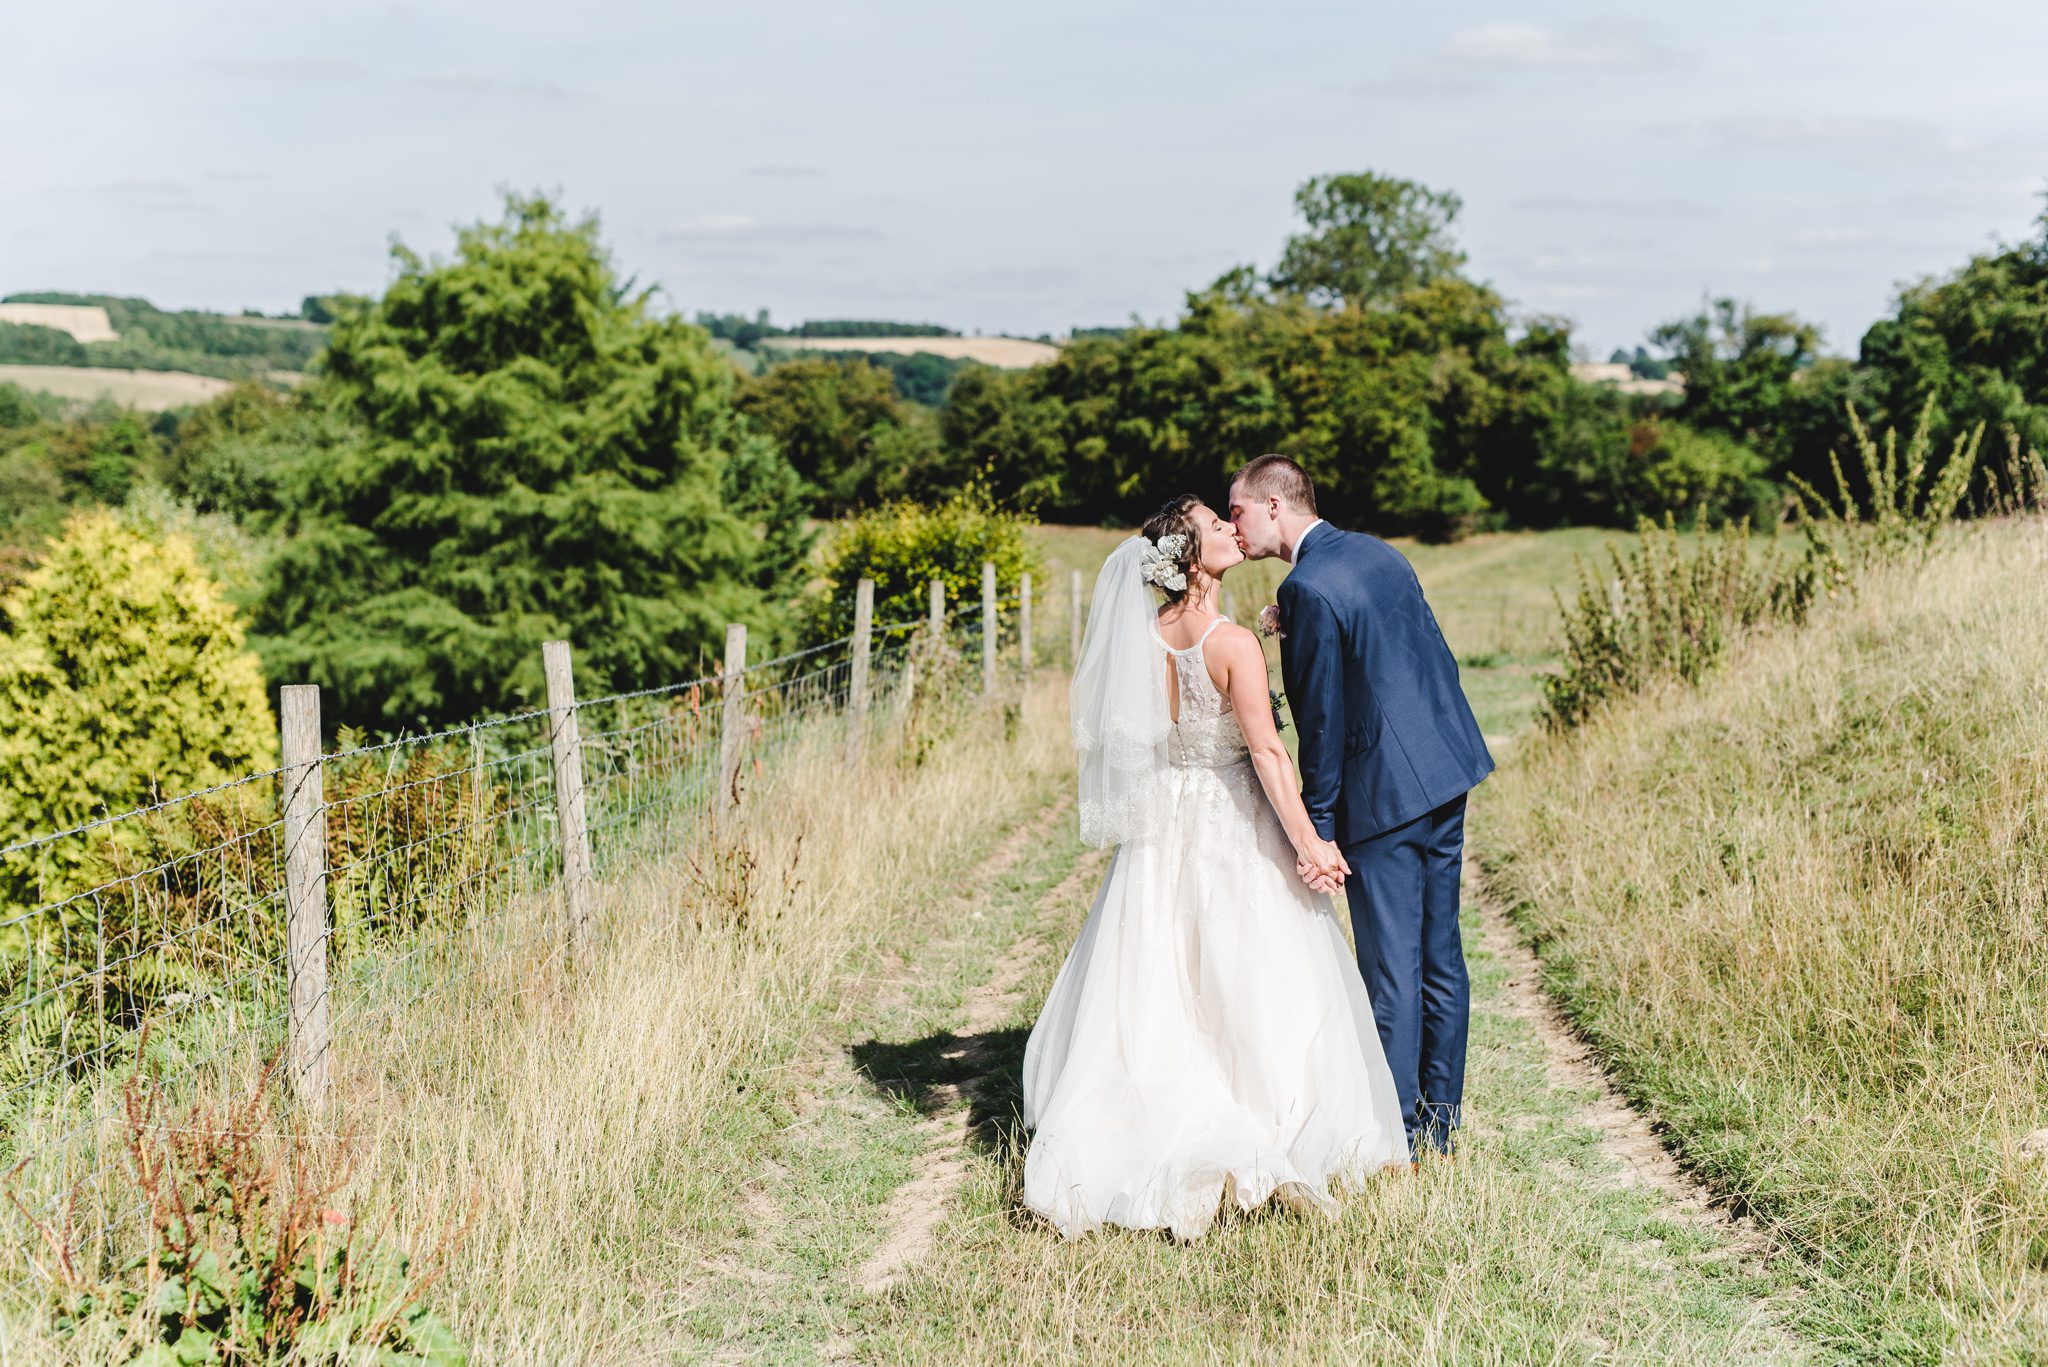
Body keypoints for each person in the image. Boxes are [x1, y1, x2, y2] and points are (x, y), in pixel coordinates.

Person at [1021, 494, 1409, 1241]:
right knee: (1251, 970)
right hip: (1231, 816)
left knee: (1162, 970)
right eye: (1215, 525)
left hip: (1164, 824)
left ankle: (1147, 1112)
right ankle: (1268, 1121)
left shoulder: (1147, 636)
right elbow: (1266, 753)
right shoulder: (1230, 643)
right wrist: (1310, 843)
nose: (1234, 530)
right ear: (1192, 559)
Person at [1227, 454, 1494, 1158]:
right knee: (1441, 955)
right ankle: (1441, 1122)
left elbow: (1320, 725)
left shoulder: (1309, 586)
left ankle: (1400, 1134)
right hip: (1446, 768)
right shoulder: (1377, 554)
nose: (1235, 524)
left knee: (1391, 970)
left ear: (1275, 506)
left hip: (1385, 796)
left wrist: (1315, 831)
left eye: (1239, 510)